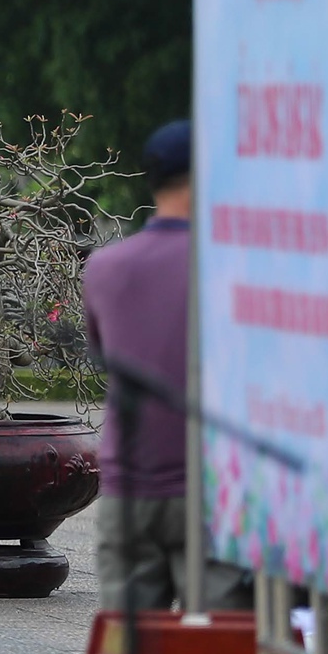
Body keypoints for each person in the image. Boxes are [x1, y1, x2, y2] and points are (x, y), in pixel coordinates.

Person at [84, 120, 243, 612]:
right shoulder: (236, 267)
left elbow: (105, 353)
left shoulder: (104, 268)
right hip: (215, 492)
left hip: (130, 488)